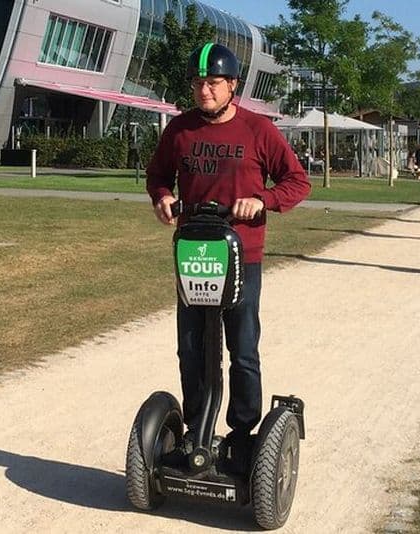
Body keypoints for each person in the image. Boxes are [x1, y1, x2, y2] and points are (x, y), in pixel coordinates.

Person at [145, 42, 311, 471]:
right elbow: (158, 175)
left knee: (242, 348)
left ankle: (240, 435)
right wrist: (162, 197)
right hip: (194, 254)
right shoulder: (179, 130)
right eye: (198, 83)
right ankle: (197, 429)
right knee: (191, 349)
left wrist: (264, 200)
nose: (204, 91)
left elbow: (297, 181)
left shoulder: (259, 130)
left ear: (232, 85)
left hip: (242, 255)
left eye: (213, 83)